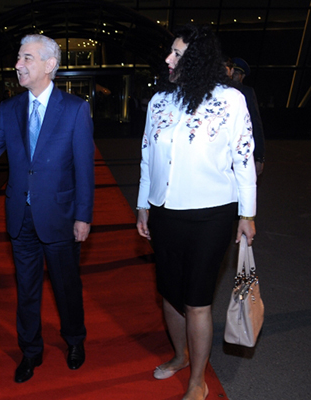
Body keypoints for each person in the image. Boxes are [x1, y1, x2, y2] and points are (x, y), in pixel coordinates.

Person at [136, 24, 256, 400]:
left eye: (177, 54)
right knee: (170, 294)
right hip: (164, 212)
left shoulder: (230, 100)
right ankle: (180, 356)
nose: (168, 59)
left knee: (197, 300)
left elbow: (244, 159)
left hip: (212, 215)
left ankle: (198, 380)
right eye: (170, 51)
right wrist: (143, 204)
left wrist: (247, 214)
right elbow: (147, 156)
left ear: (198, 59)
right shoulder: (160, 100)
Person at [0, 34, 95, 383]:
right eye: (18, 58)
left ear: (49, 65)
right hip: (19, 216)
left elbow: (84, 167)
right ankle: (30, 351)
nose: (18, 65)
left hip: (60, 216)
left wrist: (83, 215)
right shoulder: (10, 109)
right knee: (26, 290)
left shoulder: (74, 109)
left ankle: (74, 340)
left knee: (66, 287)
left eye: (27, 58)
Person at [231, 57, 266, 176]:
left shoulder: (247, 93)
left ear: (243, 76)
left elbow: (256, 124)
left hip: (241, 147)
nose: (234, 75)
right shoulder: (220, 91)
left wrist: (259, 157)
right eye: (233, 71)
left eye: (237, 73)